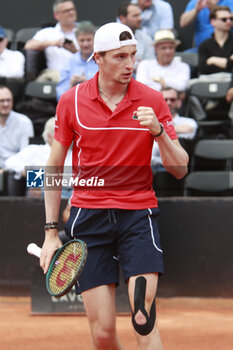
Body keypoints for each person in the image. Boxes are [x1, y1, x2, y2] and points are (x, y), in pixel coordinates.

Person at [40, 22, 188, 349]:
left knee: (142, 318)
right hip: (88, 218)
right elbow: (53, 165)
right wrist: (51, 232)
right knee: (104, 335)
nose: (129, 65)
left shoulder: (152, 100)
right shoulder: (71, 101)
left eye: (133, 56)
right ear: (98, 58)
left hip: (137, 215)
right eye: (120, 57)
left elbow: (180, 169)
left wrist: (159, 133)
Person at [4, 116, 72, 197]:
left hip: (69, 194)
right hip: (41, 194)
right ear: (49, 136)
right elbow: (9, 163)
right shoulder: (35, 150)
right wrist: (32, 175)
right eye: (62, 134)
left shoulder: (73, 154)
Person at [24, 0, 79, 82]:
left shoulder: (84, 31)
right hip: (54, 75)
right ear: (57, 15)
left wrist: (75, 51)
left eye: (72, 9)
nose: (71, 12)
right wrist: (52, 43)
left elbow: (93, 58)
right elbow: (29, 45)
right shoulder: (48, 32)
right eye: (66, 11)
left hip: (79, 74)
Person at [152, 87, 198, 170]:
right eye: (165, 99)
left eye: (172, 100)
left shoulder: (188, 121)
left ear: (179, 102)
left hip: (175, 168)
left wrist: (158, 129)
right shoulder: (151, 121)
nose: (168, 103)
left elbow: (190, 129)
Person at [56, 21, 98, 100]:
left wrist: (88, 84)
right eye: (82, 40)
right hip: (74, 104)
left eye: (89, 40)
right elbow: (60, 96)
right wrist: (71, 88)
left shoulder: (102, 61)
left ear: (94, 39)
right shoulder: (70, 62)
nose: (85, 44)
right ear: (77, 40)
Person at [0, 85, 34, 169]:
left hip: (15, 169)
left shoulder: (24, 122)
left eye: (8, 100)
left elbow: (25, 155)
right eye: (1, 101)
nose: (6, 104)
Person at [117, 1, 155, 69]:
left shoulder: (145, 38)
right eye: (135, 16)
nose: (140, 18)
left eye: (139, 15)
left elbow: (151, 66)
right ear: (122, 18)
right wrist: (138, 65)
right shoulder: (112, 37)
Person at [198, 5, 233, 75]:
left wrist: (212, 60)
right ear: (212, 22)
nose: (228, 22)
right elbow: (203, 68)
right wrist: (227, 61)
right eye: (224, 19)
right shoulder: (204, 45)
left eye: (231, 19)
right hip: (210, 83)